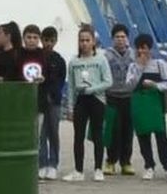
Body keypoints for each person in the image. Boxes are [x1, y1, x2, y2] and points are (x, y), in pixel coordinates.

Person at [64, 25, 113, 182]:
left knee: (97, 133)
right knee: (78, 136)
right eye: (81, 40)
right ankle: (78, 170)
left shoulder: (101, 59)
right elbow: (71, 86)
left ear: (93, 42)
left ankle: (98, 169)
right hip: (80, 100)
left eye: (87, 40)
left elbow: (108, 81)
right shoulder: (73, 61)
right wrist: (70, 107)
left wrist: (93, 89)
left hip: (97, 100)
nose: (84, 43)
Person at [130, 34, 167, 181]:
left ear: (150, 48)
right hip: (139, 103)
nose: (142, 51)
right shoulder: (133, 66)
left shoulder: (159, 64)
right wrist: (140, 67)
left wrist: (155, 85)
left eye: (144, 48)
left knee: (161, 135)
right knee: (143, 135)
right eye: (139, 48)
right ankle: (149, 165)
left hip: (155, 103)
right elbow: (130, 85)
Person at [102, 24, 137, 175]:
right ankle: (110, 161)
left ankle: (126, 162)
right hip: (111, 97)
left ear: (127, 38)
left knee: (128, 131)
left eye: (123, 37)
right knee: (113, 130)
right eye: (117, 37)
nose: (120, 40)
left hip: (129, 97)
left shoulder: (134, 55)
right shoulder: (106, 56)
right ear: (112, 39)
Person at [37, 25, 67, 180]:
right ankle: (41, 163)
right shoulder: (37, 57)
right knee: (41, 133)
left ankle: (53, 163)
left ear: (55, 41)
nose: (48, 43)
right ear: (42, 40)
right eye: (46, 40)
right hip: (39, 101)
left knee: (53, 132)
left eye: (51, 40)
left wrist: (54, 94)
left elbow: (62, 81)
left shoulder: (59, 60)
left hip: (54, 101)